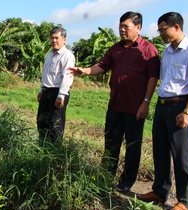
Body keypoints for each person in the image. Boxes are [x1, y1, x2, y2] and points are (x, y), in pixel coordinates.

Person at [67, 11, 160, 193]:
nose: (122, 30)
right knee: (111, 143)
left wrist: (146, 102)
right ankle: (106, 175)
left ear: (138, 27)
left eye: (126, 26)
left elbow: (153, 77)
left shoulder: (148, 50)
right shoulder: (115, 48)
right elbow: (102, 66)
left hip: (135, 107)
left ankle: (126, 181)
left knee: (133, 146)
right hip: (115, 105)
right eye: (120, 26)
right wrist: (85, 70)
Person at [137, 12, 188, 210]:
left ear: (176, 27)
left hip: (179, 106)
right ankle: (160, 191)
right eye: (159, 30)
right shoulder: (167, 52)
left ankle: (185, 201)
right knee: (160, 149)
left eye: (163, 29)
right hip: (162, 104)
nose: (161, 34)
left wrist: (186, 110)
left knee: (182, 155)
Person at [37, 27, 75, 145]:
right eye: (52, 38)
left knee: (55, 125)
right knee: (42, 122)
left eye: (56, 38)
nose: (54, 41)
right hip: (46, 92)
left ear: (64, 39)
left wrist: (61, 95)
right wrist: (41, 90)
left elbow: (67, 77)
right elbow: (46, 74)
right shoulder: (50, 55)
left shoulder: (67, 55)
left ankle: (55, 153)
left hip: (57, 93)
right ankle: (42, 148)